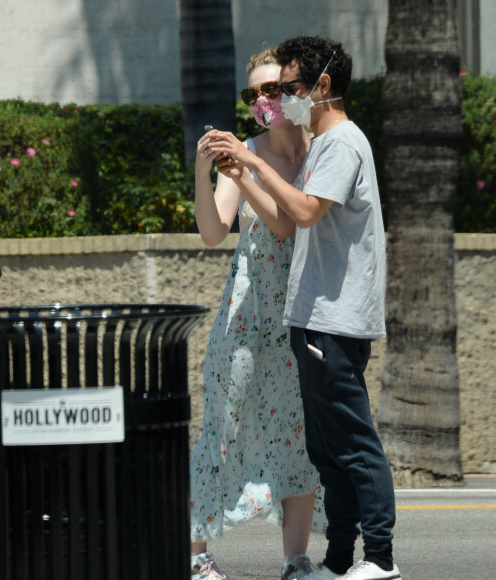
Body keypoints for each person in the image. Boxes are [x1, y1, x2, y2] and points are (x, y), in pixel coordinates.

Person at [209, 36, 401, 580]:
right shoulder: (322, 143)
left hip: (335, 320)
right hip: (313, 318)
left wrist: (249, 161)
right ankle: (340, 559)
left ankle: (380, 557)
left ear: (321, 87)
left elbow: (305, 212)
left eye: (290, 88)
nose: (283, 99)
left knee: (354, 443)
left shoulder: (341, 143)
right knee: (327, 449)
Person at [190, 48, 325, 580]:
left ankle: (295, 559)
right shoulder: (244, 151)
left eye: (272, 90)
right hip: (245, 316)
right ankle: (199, 554)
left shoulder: (319, 152)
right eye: (253, 94)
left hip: (301, 315)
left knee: (300, 435)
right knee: (219, 428)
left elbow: (289, 226)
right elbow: (212, 231)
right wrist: (206, 172)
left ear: (293, 93)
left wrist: (246, 172)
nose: (263, 102)